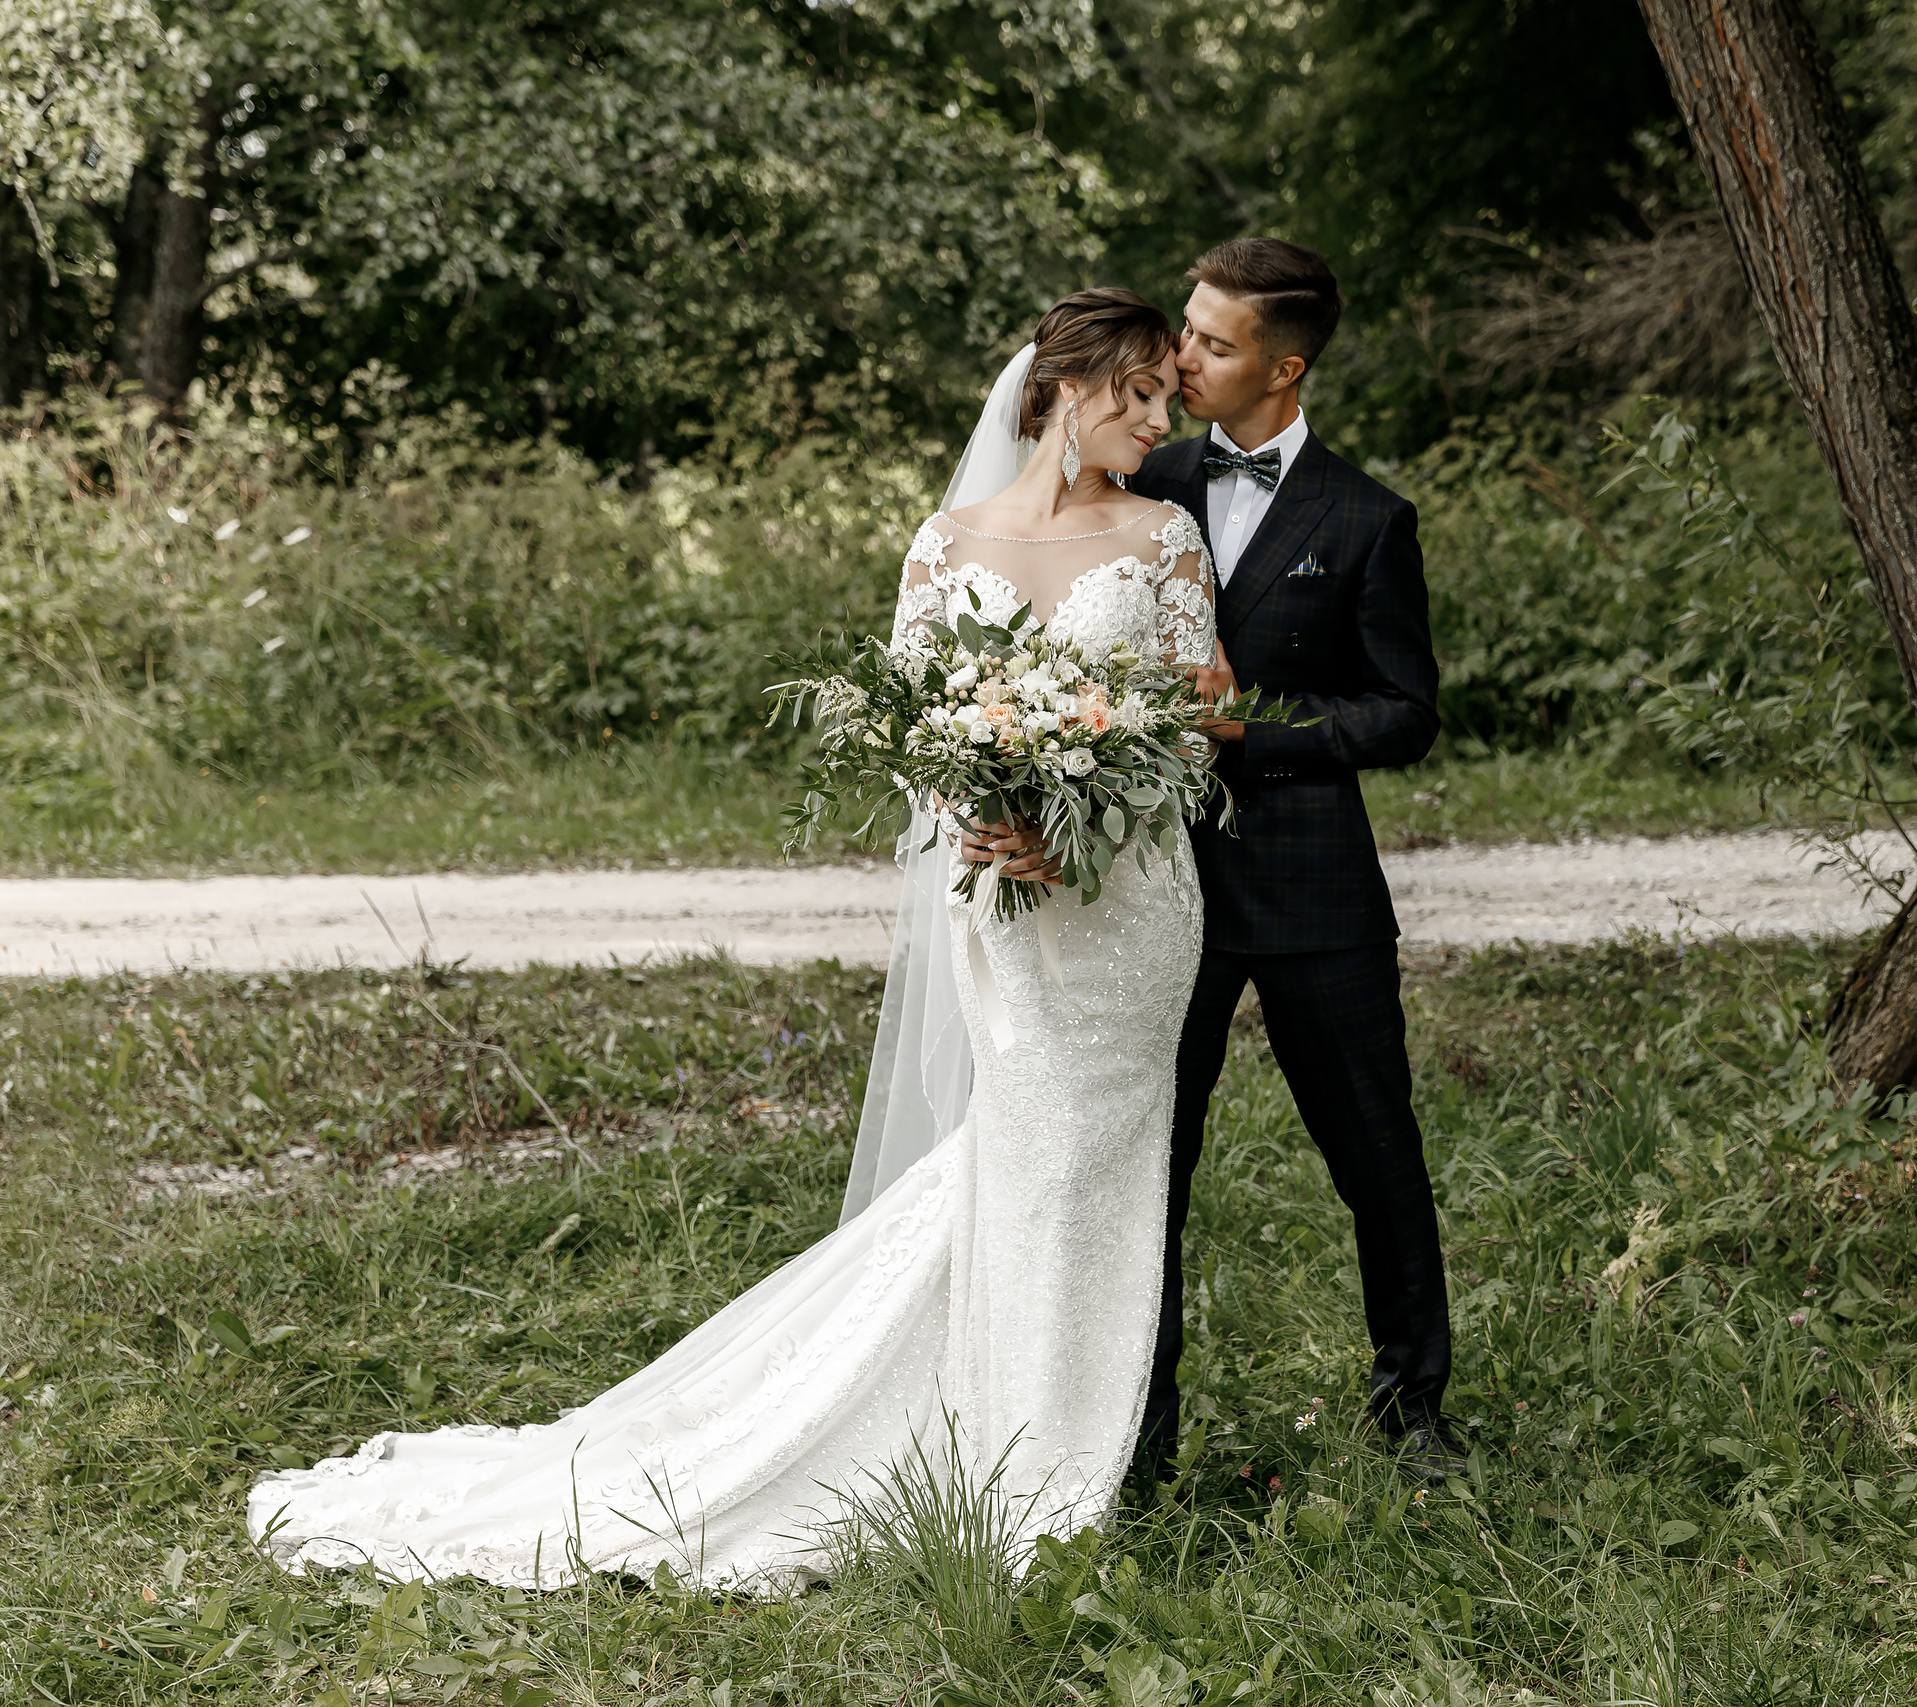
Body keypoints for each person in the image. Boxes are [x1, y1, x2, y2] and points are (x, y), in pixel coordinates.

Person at [245, 289, 1217, 1590]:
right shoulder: (947, 543)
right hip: (1008, 899)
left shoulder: (1163, 538)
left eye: (1169, 395)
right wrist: (981, 816)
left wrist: (1089, 800)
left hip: (1131, 907)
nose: (1160, 419)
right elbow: (914, 730)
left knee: (1096, 1160)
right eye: (1140, 392)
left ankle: (1057, 1449)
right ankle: (1002, 1443)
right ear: (1065, 387)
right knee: (1024, 1155)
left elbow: (1202, 725)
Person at [1130, 238, 1457, 1482]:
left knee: (1378, 1155)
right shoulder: (1140, 478)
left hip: (1317, 893)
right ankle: (1138, 1430)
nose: (1182, 357)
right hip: (1156, 894)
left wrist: (1254, 735)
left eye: (1212, 343)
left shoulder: (1369, 519)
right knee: (1151, 1167)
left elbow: (1405, 712)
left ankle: (1412, 1411)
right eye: (1186, 330)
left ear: (1286, 365)